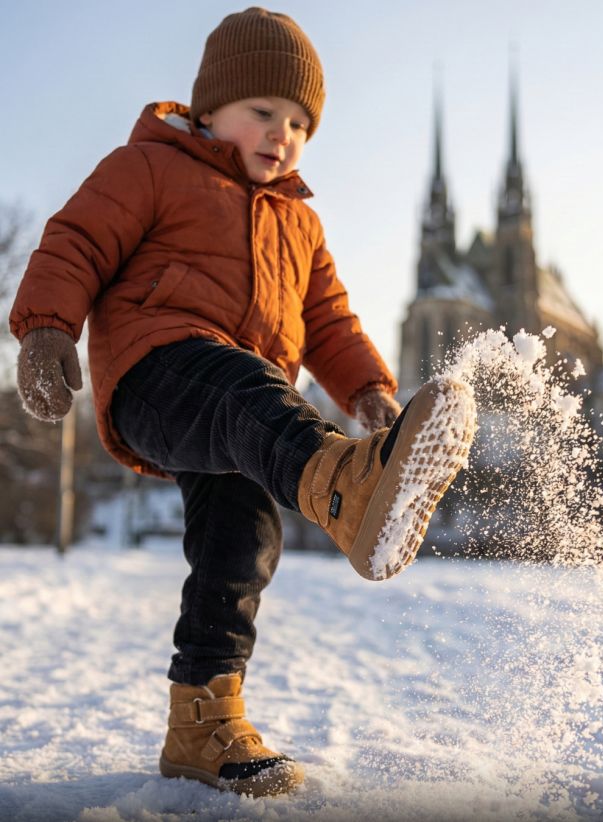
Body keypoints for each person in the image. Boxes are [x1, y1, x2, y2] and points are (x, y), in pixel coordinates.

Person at [9, 6, 475, 798]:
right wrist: (47, 328)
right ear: (208, 107)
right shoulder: (150, 167)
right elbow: (77, 239)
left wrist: (370, 391)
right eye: (263, 112)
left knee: (243, 543)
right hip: (160, 375)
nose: (282, 134)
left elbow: (329, 320)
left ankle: (203, 720)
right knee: (248, 386)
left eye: (300, 123)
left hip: (242, 416)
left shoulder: (302, 224)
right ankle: (348, 487)